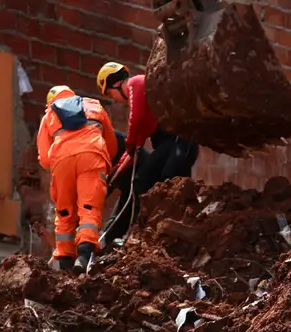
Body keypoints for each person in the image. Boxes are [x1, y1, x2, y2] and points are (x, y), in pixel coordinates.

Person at [97, 62, 200, 245]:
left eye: (110, 94)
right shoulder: (145, 106)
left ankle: (186, 223)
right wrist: (116, 172)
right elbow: (135, 146)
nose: (114, 99)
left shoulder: (136, 83)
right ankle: (142, 230)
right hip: (169, 145)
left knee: (171, 177)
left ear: (114, 83)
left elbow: (135, 121)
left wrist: (130, 142)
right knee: (142, 180)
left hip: (180, 141)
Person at [36, 85, 119, 271]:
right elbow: (112, 146)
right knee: (89, 207)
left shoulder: (49, 115)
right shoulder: (94, 105)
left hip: (62, 161)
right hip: (92, 156)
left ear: (51, 102)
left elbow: (45, 160)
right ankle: (83, 255)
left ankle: (65, 261)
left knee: (65, 211)